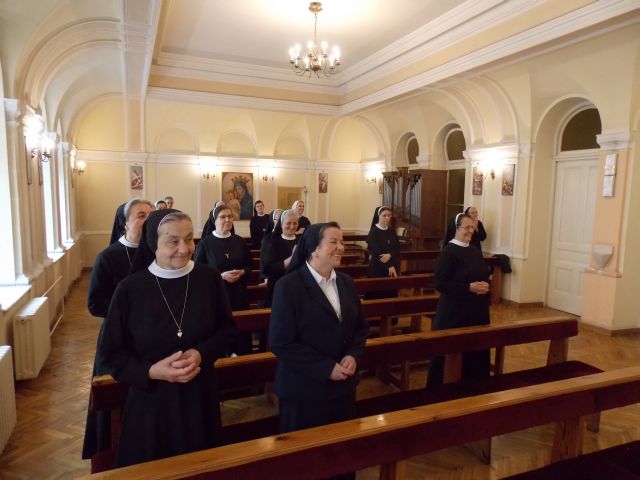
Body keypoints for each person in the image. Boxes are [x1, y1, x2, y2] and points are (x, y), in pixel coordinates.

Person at [97, 209, 237, 467]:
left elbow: (227, 331)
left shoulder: (209, 279)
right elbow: (110, 355)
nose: (184, 249)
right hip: (151, 404)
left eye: (189, 239)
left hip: (200, 398)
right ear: (153, 243)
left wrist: (201, 354)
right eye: (173, 241)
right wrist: (152, 371)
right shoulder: (130, 289)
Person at [269, 223, 369, 475]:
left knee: (341, 458)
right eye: (334, 242)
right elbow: (281, 342)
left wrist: (353, 355)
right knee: (306, 464)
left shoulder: (347, 283)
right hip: (304, 392)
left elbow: (360, 329)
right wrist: (325, 368)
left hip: (342, 388)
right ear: (314, 248)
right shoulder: (288, 286)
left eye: (342, 241)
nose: (341, 247)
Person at [82, 198, 154, 461]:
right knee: (116, 398)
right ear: (124, 223)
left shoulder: (157, 254)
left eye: (151, 216)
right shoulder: (108, 256)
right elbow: (94, 303)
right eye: (141, 215)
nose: (148, 220)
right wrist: (126, 314)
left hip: (150, 339)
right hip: (118, 338)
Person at [427, 213, 491, 387]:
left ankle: (474, 388)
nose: (470, 231)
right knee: (452, 356)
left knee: (475, 353)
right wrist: (468, 288)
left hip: (477, 312)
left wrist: (487, 285)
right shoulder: (448, 252)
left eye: (472, 227)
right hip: (454, 314)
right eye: (467, 227)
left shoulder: (475, 251)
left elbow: (484, 274)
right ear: (456, 229)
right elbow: (440, 283)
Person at [194, 205, 252, 354]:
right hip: (216, 294)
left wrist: (242, 272)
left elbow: (249, 265)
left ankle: (243, 358)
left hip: (238, 294)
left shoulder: (239, 241)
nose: (227, 220)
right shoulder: (205, 244)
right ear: (214, 220)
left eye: (230, 216)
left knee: (240, 329)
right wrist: (221, 276)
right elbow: (198, 272)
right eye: (223, 217)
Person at [261, 209, 298, 307]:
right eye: (288, 223)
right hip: (278, 287)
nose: (292, 226)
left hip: (298, 287)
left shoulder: (302, 241)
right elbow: (267, 268)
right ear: (281, 224)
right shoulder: (273, 243)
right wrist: (290, 259)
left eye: (295, 223)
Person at [366, 206, 401, 298]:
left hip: (391, 268)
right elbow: (377, 252)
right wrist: (389, 266)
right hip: (377, 268)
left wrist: (390, 255)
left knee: (390, 297)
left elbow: (397, 248)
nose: (387, 218)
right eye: (384, 215)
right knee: (376, 296)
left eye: (389, 215)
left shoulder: (392, 232)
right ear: (379, 216)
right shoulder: (373, 232)